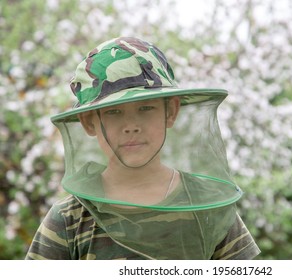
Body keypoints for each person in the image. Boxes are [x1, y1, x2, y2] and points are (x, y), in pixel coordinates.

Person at [25, 37, 260, 260]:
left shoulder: (208, 205)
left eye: (146, 108)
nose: (131, 126)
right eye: (114, 112)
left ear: (171, 111)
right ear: (89, 121)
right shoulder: (70, 218)